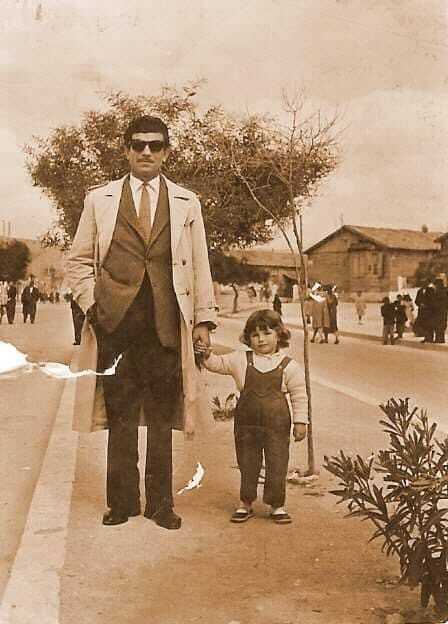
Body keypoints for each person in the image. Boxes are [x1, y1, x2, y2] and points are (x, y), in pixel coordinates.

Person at [65, 115, 217, 530]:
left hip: (166, 326)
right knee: (121, 417)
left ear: (166, 152)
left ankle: (161, 505)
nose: (146, 152)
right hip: (116, 326)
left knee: (163, 418)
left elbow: (199, 264)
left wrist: (203, 320)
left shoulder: (186, 202)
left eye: (155, 145)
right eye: (138, 145)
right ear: (126, 151)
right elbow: (78, 260)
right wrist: (93, 305)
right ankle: (122, 503)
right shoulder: (100, 199)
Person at [196, 309, 307, 524]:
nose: (261, 339)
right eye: (255, 335)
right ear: (248, 338)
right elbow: (216, 364)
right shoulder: (240, 359)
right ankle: (245, 503)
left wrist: (301, 422)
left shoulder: (289, 366)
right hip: (247, 425)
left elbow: (299, 396)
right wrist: (205, 354)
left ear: (279, 335)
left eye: (267, 333)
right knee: (247, 463)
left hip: (277, 425)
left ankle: (276, 505)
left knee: (277, 463)